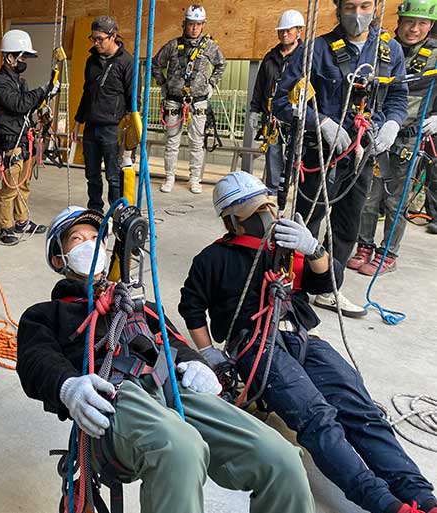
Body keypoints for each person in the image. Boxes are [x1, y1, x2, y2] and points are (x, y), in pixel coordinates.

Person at [17, 205, 315, 513]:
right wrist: (68, 387)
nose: (90, 245)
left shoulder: (135, 303)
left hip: (170, 382)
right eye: (77, 240)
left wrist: (195, 362)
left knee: (281, 458)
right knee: (181, 449)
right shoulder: (45, 315)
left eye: (95, 237)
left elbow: (172, 338)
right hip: (114, 397)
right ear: (58, 259)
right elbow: (35, 360)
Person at [179, 171, 437, 513]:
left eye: (269, 207)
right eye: (257, 212)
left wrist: (314, 249)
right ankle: (384, 503)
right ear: (232, 221)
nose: (268, 217)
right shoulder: (213, 259)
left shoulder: (287, 249)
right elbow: (192, 306)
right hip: (256, 347)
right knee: (316, 418)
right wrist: (209, 351)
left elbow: (326, 283)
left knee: (360, 409)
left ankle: (420, 493)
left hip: (303, 338)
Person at [272, 0, 408, 318]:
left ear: (376, 7)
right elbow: (282, 101)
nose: (358, 14)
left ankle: (329, 287)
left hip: (361, 156)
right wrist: (320, 122)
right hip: (320, 155)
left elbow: (398, 97)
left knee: (347, 226)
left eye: (364, 5)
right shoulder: (316, 50)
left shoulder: (389, 52)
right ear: (339, 8)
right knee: (306, 221)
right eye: (350, 6)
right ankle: (291, 286)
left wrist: (392, 123)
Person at [350, 0, 437, 275]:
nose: (414, 29)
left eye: (421, 23)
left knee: (395, 199)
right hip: (377, 131)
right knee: (368, 195)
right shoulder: (381, 47)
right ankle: (364, 245)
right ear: (399, 20)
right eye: (409, 21)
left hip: (408, 137)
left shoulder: (436, 56)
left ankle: (387, 253)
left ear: (431, 25)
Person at [0, 29, 56, 245]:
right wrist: (42, 90)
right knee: (10, 187)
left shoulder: (19, 81)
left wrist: (45, 96)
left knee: (24, 184)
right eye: (22, 56)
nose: (24, 61)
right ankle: (6, 226)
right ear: (10, 57)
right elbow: (18, 105)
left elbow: (29, 105)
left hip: (23, 138)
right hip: (11, 141)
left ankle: (22, 221)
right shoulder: (0, 82)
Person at [152, 5, 226, 194]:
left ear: (203, 25)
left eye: (198, 24)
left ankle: (195, 179)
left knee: (196, 143)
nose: (194, 28)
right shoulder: (173, 45)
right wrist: (163, 84)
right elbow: (156, 64)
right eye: (191, 24)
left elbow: (220, 65)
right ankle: (170, 177)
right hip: (174, 100)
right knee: (172, 142)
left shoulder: (209, 46)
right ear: (184, 24)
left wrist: (211, 84)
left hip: (198, 101)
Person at [71, 17, 134, 212]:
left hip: (112, 128)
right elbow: (86, 92)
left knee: (114, 176)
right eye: (93, 38)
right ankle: (96, 211)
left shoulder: (127, 62)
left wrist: (131, 132)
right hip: (91, 125)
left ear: (113, 36)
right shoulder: (91, 61)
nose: (96, 43)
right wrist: (77, 122)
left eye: (100, 39)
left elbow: (133, 97)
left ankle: (116, 212)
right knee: (92, 174)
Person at [248, 10, 305, 195]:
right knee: (273, 154)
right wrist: (254, 110)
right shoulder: (270, 57)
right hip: (272, 117)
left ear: (299, 31)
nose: (284, 34)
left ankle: (299, 192)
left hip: (294, 116)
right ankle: (273, 191)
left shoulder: (305, 58)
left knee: (296, 155)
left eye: (289, 30)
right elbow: (260, 86)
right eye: (281, 31)